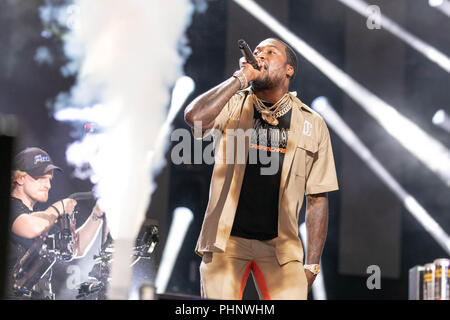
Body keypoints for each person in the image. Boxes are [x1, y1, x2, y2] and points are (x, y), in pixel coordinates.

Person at [184, 38, 339, 300]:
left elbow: (318, 197)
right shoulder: (234, 103)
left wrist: (312, 264)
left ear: (289, 69)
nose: (260, 56)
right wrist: (239, 79)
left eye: (270, 52)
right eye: (256, 52)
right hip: (226, 242)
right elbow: (195, 117)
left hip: (282, 248)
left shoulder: (313, 123)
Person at [7, 147, 104, 299]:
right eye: (41, 178)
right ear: (20, 178)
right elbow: (31, 227)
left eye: (49, 179)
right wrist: (60, 207)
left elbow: (76, 249)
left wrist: (97, 214)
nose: (48, 185)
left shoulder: (42, 218)